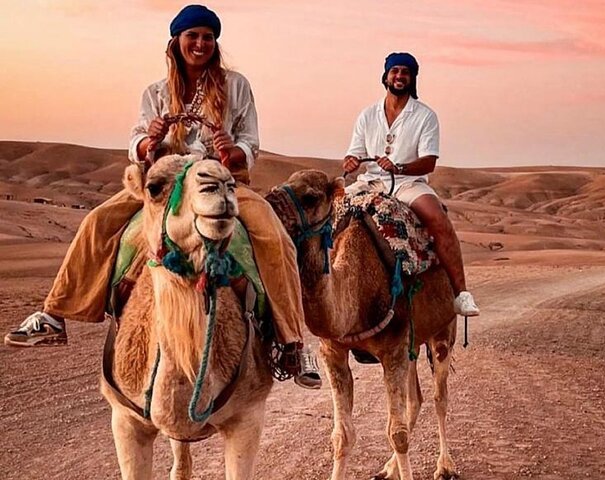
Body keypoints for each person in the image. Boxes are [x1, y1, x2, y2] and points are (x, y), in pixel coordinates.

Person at [5, 4, 321, 390]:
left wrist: (232, 151)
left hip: (219, 178)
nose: (201, 43)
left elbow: (250, 140)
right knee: (98, 221)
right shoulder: (155, 92)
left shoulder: (236, 85)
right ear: (177, 41)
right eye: (193, 36)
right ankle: (54, 314)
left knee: (275, 237)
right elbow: (135, 140)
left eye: (208, 37)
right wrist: (147, 141)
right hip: (166, 181)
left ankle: (292, 342)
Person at [343, 52, 480, 317]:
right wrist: (350, 162)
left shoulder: (425, 116)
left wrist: (399, 167)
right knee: (330, 212)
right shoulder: (367, 115)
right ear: (385, 76)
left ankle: (461, 294)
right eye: (395, 71)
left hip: (408, 183)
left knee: (437, 218)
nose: (399, 76)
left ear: (412, 78)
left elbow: (429, 162)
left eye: (405, 72)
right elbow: (355, 153)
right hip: (371, 183)